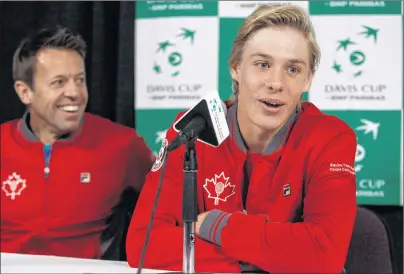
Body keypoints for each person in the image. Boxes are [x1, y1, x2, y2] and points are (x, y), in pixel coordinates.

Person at [126, 3, 358, 273]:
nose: (276, 82)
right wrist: (268, 257)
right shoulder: (192, 130)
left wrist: (219, 226)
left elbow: (324, 254)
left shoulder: (330, 137)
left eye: (293, 69)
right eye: (262, 64)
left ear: (308, 79)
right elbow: (142, 244)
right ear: (236, 68)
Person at [0, 26, 155, 260]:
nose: (75, 93)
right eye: (59, 82)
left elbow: (173, 203)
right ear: (25, 92)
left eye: (80, 80)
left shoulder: (122, 144)